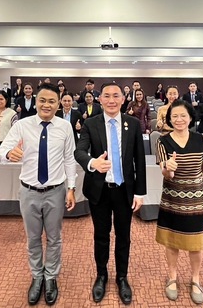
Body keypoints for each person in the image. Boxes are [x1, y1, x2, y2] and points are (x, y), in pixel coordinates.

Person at [0, 83, 77, 306]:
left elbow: (69, 159)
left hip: (55, 192)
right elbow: (0, 151)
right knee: (33, 239)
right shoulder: (22, 126)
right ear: (35, 102)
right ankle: (37, 276)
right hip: (29, 192)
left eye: (52, 101)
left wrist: (71, 188)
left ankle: (50, 277)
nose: (46, 105)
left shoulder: (65, 127)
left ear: (58, 104)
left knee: (54, 238)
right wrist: (8, 154)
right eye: (42, 100)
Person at [74, 83, 147, 305]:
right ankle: (101, 275)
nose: (112, 100)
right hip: (100, 191)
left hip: (124, 191)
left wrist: (140, 192)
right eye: (107, 96)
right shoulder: (91, 123)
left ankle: (122, 277)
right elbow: (79, 151)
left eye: (116, 96)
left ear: (123, 99)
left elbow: (139, 160)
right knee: (101, 235)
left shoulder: (132, 124)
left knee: (124, 237)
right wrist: (92, 163)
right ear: (100, 99)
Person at [156, 100, 203, 304]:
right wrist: (168, 167)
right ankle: (172, 277)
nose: (179, 119)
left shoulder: (201, 139)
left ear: (190, 118)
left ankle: (195, 279)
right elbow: (165, 173)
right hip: (172, 200)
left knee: (196, 244)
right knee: (172, 242)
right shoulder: (162, 141)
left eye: (183, 115)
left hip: (197, 200)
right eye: (174, 116)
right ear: (169, 119)